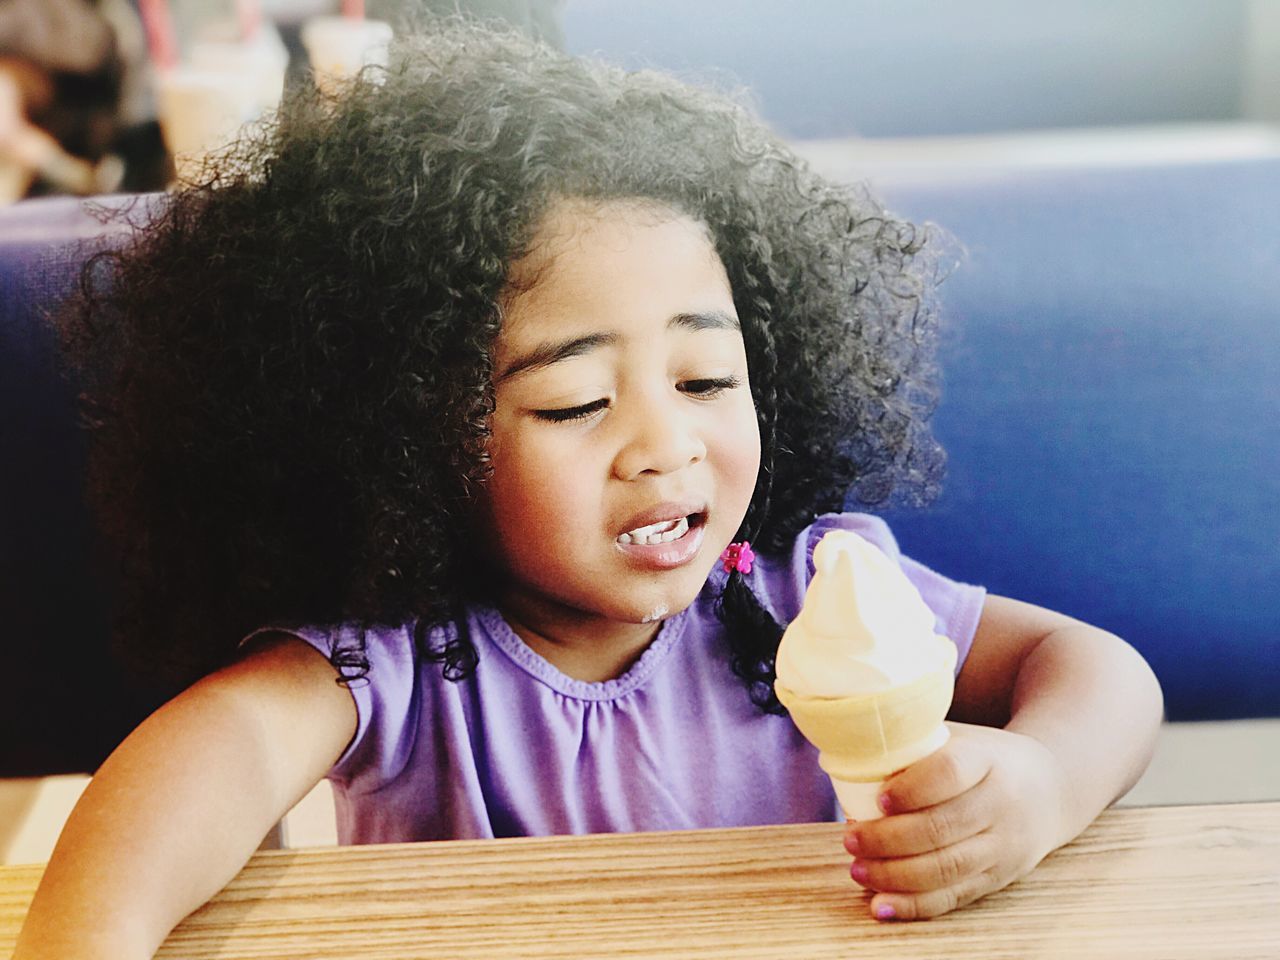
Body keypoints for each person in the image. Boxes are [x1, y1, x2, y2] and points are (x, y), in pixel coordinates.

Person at [13, 18, 1162, 958]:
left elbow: (1093, 669)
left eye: (706, 377)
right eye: (573, 404)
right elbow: (201, 765)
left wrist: (1045, 783)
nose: (665, 447)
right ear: (404, 437)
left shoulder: (810, 595)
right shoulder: (403, 664)